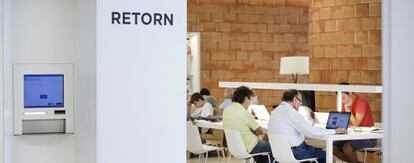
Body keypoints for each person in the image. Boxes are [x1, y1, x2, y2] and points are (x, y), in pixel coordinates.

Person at [268, 89, 347, 163]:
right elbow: (311, 132)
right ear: (295, 100)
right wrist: (334, 131)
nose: (300, 104)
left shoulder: (275, 112)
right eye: (300, 101)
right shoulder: (292, 112)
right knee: (327, 156)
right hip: (296, 152)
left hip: (280, 153)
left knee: (316, 149)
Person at [222, 86, 273, 163]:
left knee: (263, 151)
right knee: (275, 149)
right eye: (250, 99)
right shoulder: (244, 112)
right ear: (246, 98)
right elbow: (260, 131)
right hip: (250, 146)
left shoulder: (226, 110)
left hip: (234, 148)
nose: (250, 102)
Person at [333, 82, 377, 163]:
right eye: (340, 98)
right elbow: (343, 122)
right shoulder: (344, 103)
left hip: (368, 137)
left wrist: (348, 109)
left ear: (350, 92)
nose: (342, 101)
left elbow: (356, 124)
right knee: (332, 147)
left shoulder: (361, 102)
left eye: (343, 98)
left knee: (347, 148)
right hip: (351, 136)